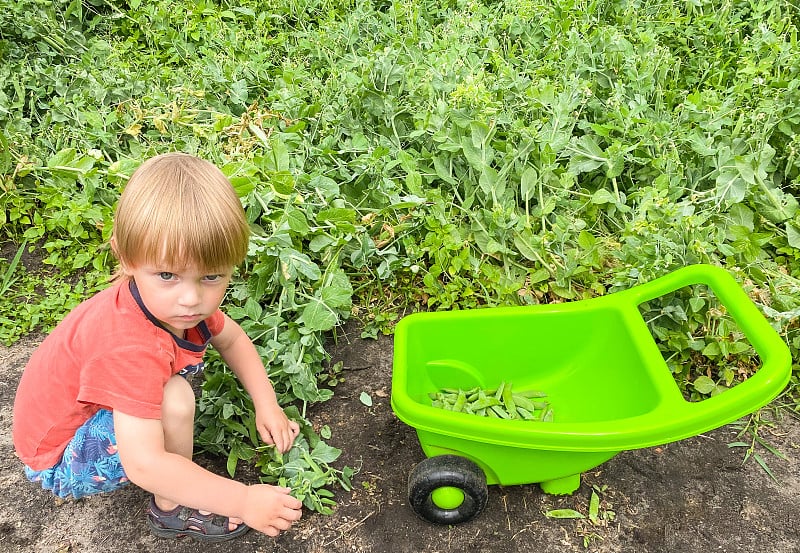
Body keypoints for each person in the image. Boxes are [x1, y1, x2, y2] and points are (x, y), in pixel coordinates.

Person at [12, 152, 303, 542]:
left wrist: (266, 404)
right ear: (127, 258)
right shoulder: (128, 344)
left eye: (211, 276)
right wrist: (243, 500)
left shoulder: (172, 305)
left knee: (169, 394)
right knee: (175, 398)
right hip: (60, 456)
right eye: (168, 275)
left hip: (80, 416)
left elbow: (231, 337)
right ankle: (171, 508)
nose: (191, 298)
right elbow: (145, 465)